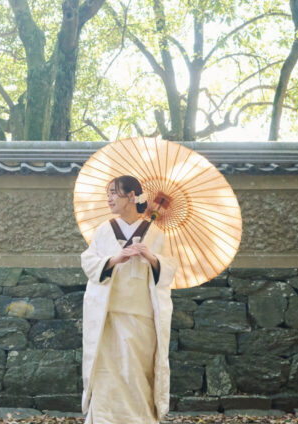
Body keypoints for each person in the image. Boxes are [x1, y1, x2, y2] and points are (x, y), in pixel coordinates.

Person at [80, 175, 177, 424]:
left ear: (132, 196)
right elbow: (89, 263)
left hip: (141, 316)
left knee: (136, 376)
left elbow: (168, 270)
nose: (109, 198)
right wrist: (114, 259)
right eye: (108, 193)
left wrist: (152, 258)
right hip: (109, 317)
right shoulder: (104, 230)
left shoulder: (153, 232)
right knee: (107, 375)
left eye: (114, 192)